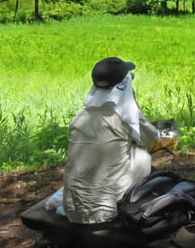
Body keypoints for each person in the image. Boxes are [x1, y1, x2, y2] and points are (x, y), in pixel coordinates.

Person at [63, 57, 159, 224]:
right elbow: (150, 138)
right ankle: (126, 199)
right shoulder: (127, 116)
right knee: (143, 157)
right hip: (105, 212)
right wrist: (133, 103)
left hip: (72, 208)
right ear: (124, 86)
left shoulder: (80, 117)